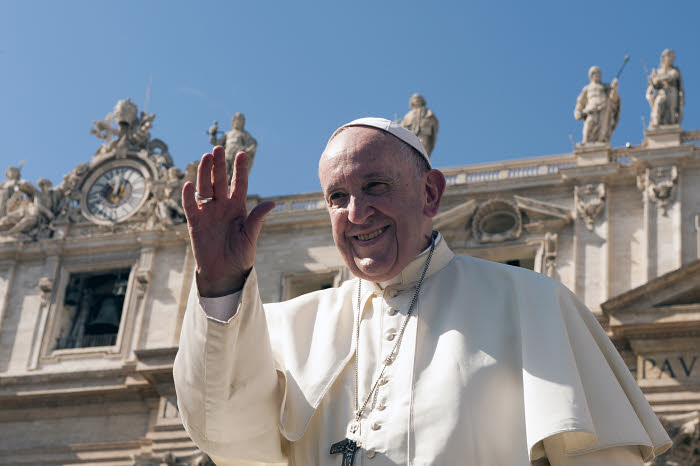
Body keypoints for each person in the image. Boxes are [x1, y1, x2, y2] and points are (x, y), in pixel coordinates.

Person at [174, 118, 671, 465]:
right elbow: (230, 439)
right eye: (337, 197)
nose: (356, 214)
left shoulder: (533, 303)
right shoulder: (285, 326)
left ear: (431, 193)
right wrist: (221, 285)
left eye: (375, 187)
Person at [574, 66, 620, 144]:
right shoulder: (587, 88)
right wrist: (577, 111)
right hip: (591, 109)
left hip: (603, 108)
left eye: (599, 73)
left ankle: (601, 142)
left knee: (602, 129)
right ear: (591, 76)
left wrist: (614, 88)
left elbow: (613, 98)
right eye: (595, 73)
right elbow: (580, 102)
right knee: (589, 125)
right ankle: (586, 142)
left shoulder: (605, 87)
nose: (597, 75)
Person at [647, 49, 684, 128]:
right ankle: (656, 124)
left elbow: (672, 77)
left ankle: (671, 127)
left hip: (672, 92)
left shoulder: (674, 70)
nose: (672, 59)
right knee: (659, 103)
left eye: (673, 58)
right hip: (662, 93)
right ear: (664, 58)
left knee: (671, 111)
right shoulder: (658, 71)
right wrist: (653, 81)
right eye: (670, 57)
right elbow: (654, 84)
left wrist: (658, 78)